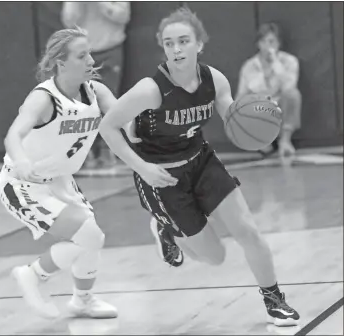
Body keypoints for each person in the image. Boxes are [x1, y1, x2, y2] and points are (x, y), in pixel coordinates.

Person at [99, 7, 300, 327]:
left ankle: (274, 299)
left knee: (247, 229)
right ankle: (165, 230)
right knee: (214, 256)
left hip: (201, 160)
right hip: (161, 175)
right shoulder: (151, 90)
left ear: (199, 44)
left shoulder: (214, 80)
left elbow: (238, 122)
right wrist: (142, 168)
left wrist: (264, 115)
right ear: (163, 47)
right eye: (169, 43)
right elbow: (108, 128)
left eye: (183, 41)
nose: (176, 49)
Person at [0, 28, 119, 319]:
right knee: (88, 234)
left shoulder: (96, 92)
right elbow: (14, 134)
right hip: (23, 182)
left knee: (92, 237)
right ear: (61, 62)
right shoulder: (43, 98)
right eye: (81, 55)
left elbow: (126, 122)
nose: (91, 60)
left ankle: (82, 300)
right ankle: (32, 274)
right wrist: (22, 159)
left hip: (61, 179)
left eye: (90, 52)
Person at [62, 1, 131, 168]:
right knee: (83, 102)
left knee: (109, 102)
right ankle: (86, 151)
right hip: (82, 52)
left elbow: (123, 17)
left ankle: (109, 149)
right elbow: (68, 21)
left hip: (110, 49)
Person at [236, 22, 302, 159]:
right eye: (263, 41)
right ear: (258, 44)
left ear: (278, 43)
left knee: (293, 95)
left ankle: (285, 141)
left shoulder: (290, 61)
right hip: (260, 109)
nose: (268, 46)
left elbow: (289, 88)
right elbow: (239, 97)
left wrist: (276, 65)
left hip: (281, 109)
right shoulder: (249, 66)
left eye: (271, 41)